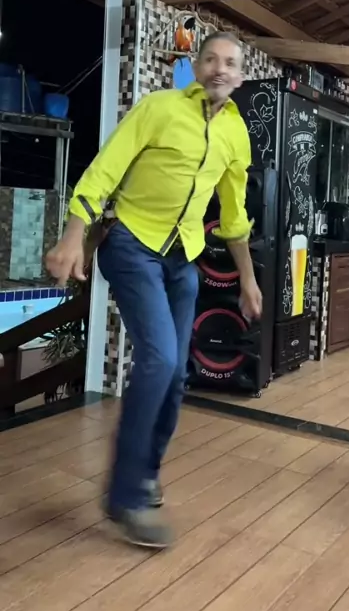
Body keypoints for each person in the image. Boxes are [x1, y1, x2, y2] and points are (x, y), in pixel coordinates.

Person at [46, 31, 262, 548]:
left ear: (240, 75)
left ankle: (145, 473)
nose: (220, 68)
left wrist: (249, 278)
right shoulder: (159, 108)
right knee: (160, 358)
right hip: (131, 243)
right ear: (196, 65)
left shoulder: (236, 133)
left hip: (182, 256)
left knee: (176, 372)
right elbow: (105, 169)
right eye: (211, 59)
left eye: (230, 62)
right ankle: (125, 497)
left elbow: (234, 216)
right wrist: (74, 234)